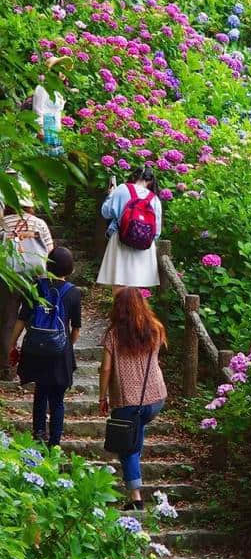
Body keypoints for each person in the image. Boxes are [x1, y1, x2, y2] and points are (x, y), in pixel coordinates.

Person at [98, 287, 167, 510]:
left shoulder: (113, 335)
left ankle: (136, 498)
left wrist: (102, 396)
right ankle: (135, 475)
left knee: (128, 448)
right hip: (156, 398)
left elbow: (106, 369)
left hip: (128, 401)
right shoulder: (155, 329)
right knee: (134, 435)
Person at [8, 247, 81, 446]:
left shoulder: (35, 286)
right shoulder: (73, 293)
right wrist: (67, 346)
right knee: (57, 399)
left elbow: (22, 319)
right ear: (70, 269)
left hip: (37, 349)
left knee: (40, 393)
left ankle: (38, 435)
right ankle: (55, 442)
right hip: (59, 352)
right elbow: (76, 329)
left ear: (47, 265)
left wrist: (12, 344)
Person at [0, 185, 54, 379]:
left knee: (7, 320)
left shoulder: (3, 223)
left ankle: (5, 367)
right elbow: (50, 250)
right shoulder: (39, 224)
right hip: (35, 277)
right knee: (36, 320)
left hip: (9, 278)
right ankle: (35, 366)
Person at [97, 166, 162, 295]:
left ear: (134, 176)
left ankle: (119, 313)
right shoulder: (154, 199)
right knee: (137, 288)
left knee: (119, 283)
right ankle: (134, 314)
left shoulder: (122, 189)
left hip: (121, 238)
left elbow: (105, 212)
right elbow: (157, 231)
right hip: (144, 246)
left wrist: (111, 195)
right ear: (150, 181)